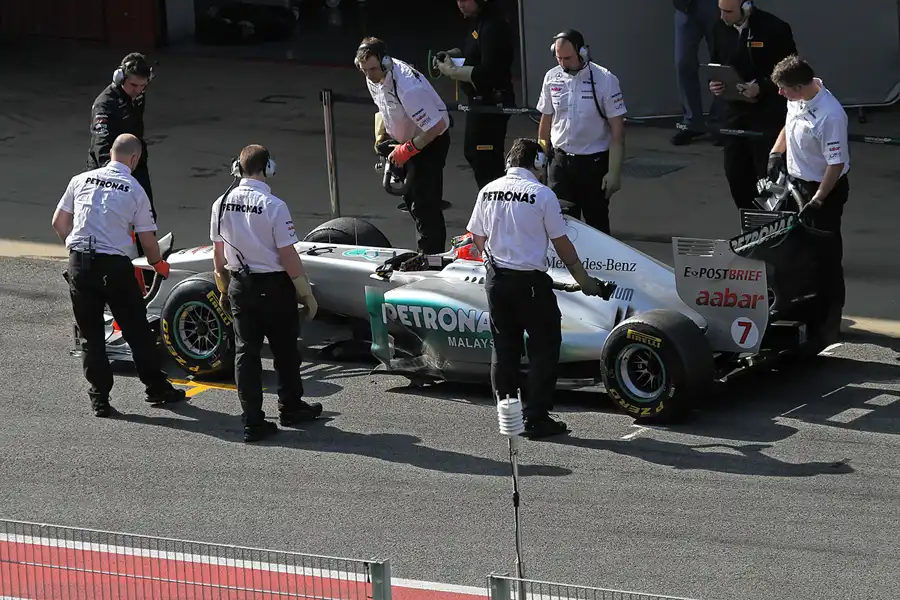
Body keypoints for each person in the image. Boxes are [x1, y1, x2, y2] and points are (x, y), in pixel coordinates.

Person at [466, 138, 612, 439]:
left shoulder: (487, 190)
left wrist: (492, 260)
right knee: (544, 348)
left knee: (503, 346)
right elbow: (562, 244)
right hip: (530, 283)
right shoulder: (542, 195)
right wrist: (585, 282)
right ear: (539, 164)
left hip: (497, 280)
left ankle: (508, 414)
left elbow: (476, 236)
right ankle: (536, 417)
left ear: (509, 161)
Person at [52, 134, 186, 417]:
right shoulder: (135, 189)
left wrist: (74, 250)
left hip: (81, 263)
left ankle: (99, 398)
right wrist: (158, 264)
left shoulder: (80, 179)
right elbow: (148, 241)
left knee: (90, 336)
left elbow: (59, 222)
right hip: (114, 267)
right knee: (137, 331)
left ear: (110, 153)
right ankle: (156, 388)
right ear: (134, 159)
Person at [210, 144, 323, 443]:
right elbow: (287, 254)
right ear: (267, 168)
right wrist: (305, 292)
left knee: (246, 354)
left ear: (238, 168)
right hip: (274, 286)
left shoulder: (220, 203)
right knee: (285, 350)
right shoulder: (274, 205)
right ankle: (291, 407)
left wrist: (222, 286)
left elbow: (217, 252)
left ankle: (252, 422)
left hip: (239, 285)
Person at [769, 55, 850, 343]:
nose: (780, 93)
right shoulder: (797, 98)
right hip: (795, 184)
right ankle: (799, 309)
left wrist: (817, 200)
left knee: (825, 257)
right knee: (792, 251)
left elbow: (836, 164)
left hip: (823, 189)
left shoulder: (831, 115)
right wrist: (776, 153)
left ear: (801, 86)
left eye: (784, 89)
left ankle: (829, 320)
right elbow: (789, 123)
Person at [360, 37, 452, 255]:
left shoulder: (408, 89)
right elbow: (383, 107)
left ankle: (431, 257)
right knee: (412, 202)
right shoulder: (374, 78)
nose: (369, 75)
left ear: (385, 63)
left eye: (373, 69)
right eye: (364, 70)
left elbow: (436, 126)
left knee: (425, 205)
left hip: (430, 141)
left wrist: (408, 149)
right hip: (406, 139)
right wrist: (382, 134)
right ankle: (426, 252)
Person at [707, 0, 797, 210]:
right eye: (720, 10)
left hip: (766, 113)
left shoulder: (775, 28)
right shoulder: (719, 27)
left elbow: (791, 71)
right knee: (735, 172)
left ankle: (775, 222)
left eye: (728, 11)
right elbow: (716, 61)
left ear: (746, 8)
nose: (723, 17)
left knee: (768, 174)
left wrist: (762, 87)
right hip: (734, 112)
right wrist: (714, 83)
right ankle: (748, 220)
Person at [536, 29, 627, 236]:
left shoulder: (605, 79)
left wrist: (614, 171)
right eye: (559, 58)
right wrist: (540, 157)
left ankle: (601, 267)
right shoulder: (551, 77)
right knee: (560, 226)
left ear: (583, 53)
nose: (563, 63)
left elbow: (618, 129)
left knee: (597, 225)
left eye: (567, 58)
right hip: (560, 163)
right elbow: (546, 119)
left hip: (593, 165)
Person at [434, 0, 516, 190]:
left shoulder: (493, 26)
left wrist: (453, 71)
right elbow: (476, 54)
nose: (460, 4)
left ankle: (496, 204)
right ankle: (491, 200)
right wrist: (454, 57)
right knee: (474, 153)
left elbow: (490, 71)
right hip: (479, 102)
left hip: (492, 103)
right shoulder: (478, 21)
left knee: (485, 159)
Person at [88, 53, 157, 232]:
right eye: (133, 85)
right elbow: (101, 144)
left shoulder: (138, 96)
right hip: (109, 167)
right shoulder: (104, 104)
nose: (138, 90)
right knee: (112, 216)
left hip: (135, 163)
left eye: (143, 86)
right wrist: (113, 174)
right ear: (119, 78)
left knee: (145, 214)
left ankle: (146, 250)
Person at [671, 0, 723, 146]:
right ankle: (692, 122)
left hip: (718, 5)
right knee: (683, 63)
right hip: (687, 6)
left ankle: (719, 123)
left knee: (721, 62)